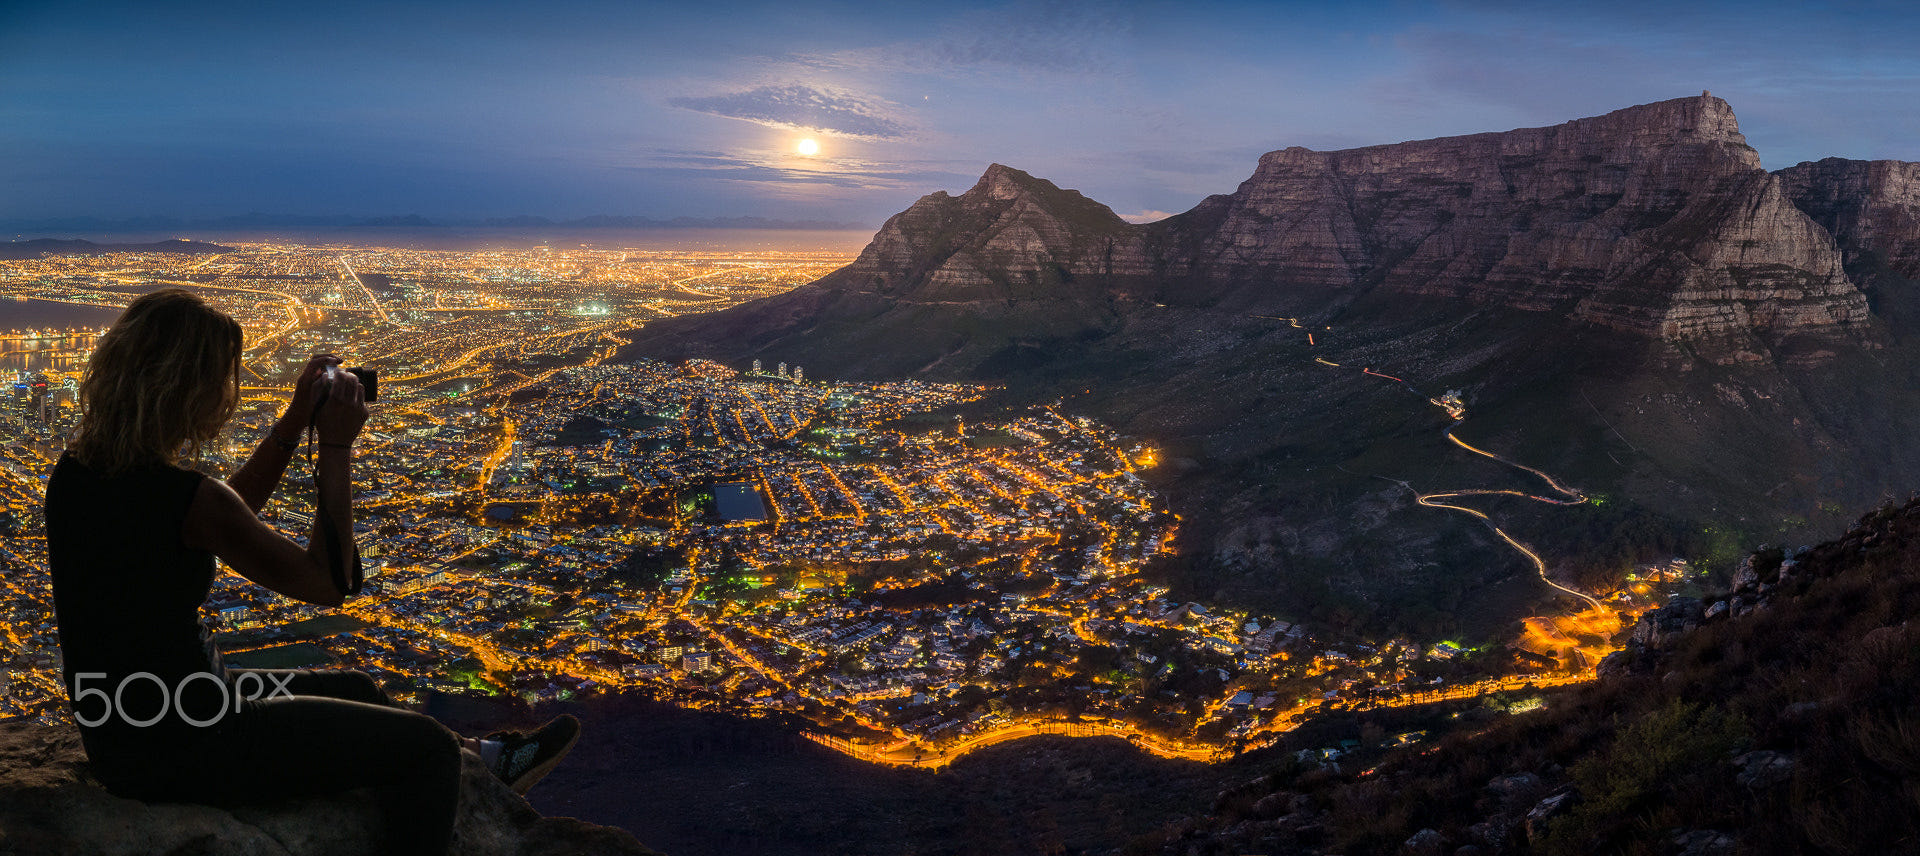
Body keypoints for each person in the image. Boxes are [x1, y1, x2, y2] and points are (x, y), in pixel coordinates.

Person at [44, 288, 578, 855]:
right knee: (425, 749)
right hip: (199, 737)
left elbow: (225, 514)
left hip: (129, 723)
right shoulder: (186, 498)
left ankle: (489, 759)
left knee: (357, 688)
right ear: (187, 390)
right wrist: (335, 445)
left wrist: (295, 419)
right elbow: (324, 585)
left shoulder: (77, 475)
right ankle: (460, 773)